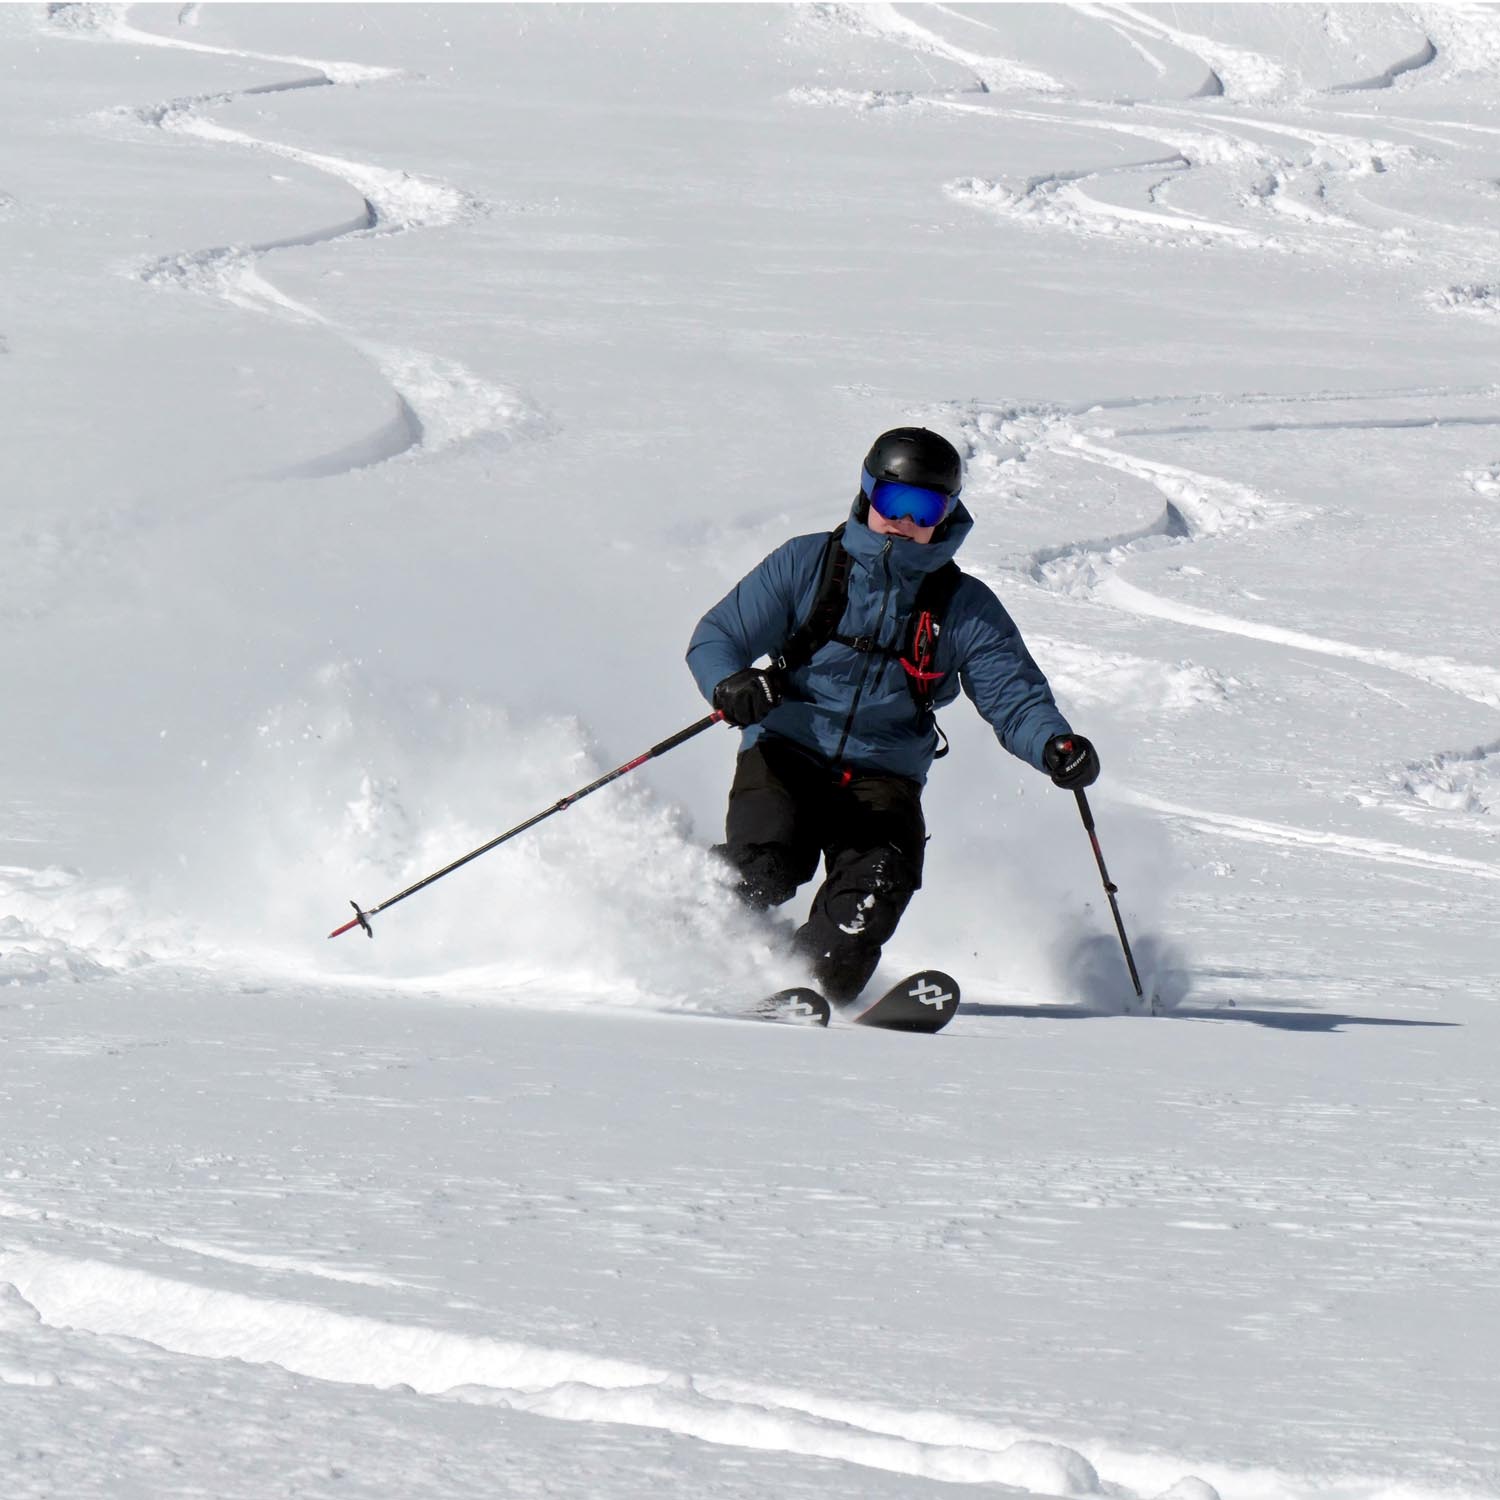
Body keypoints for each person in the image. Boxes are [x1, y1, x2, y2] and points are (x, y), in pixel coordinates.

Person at [686, 426, 1098, 1005]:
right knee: (764, 866)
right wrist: (730, 684)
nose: (904, 520)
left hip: (884, 778)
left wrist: (1055, 744)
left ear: (946, 514)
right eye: (892, 501)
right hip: (785, 753)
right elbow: (719, 635)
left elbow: (1014, 698)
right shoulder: (807, 564)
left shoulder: (964, 607)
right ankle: (679, 939)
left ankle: (802, 988)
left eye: (923, 507)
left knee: (871, 897)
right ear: (867, 495)